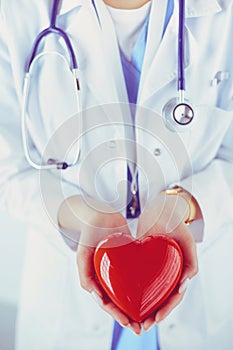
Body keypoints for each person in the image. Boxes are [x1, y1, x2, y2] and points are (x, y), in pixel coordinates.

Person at [0, 0, 233, 349]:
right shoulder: (16, 13)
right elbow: (9, 168)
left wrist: (183, 205)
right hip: (64, 318)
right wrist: (82, 215)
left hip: (200, 319)